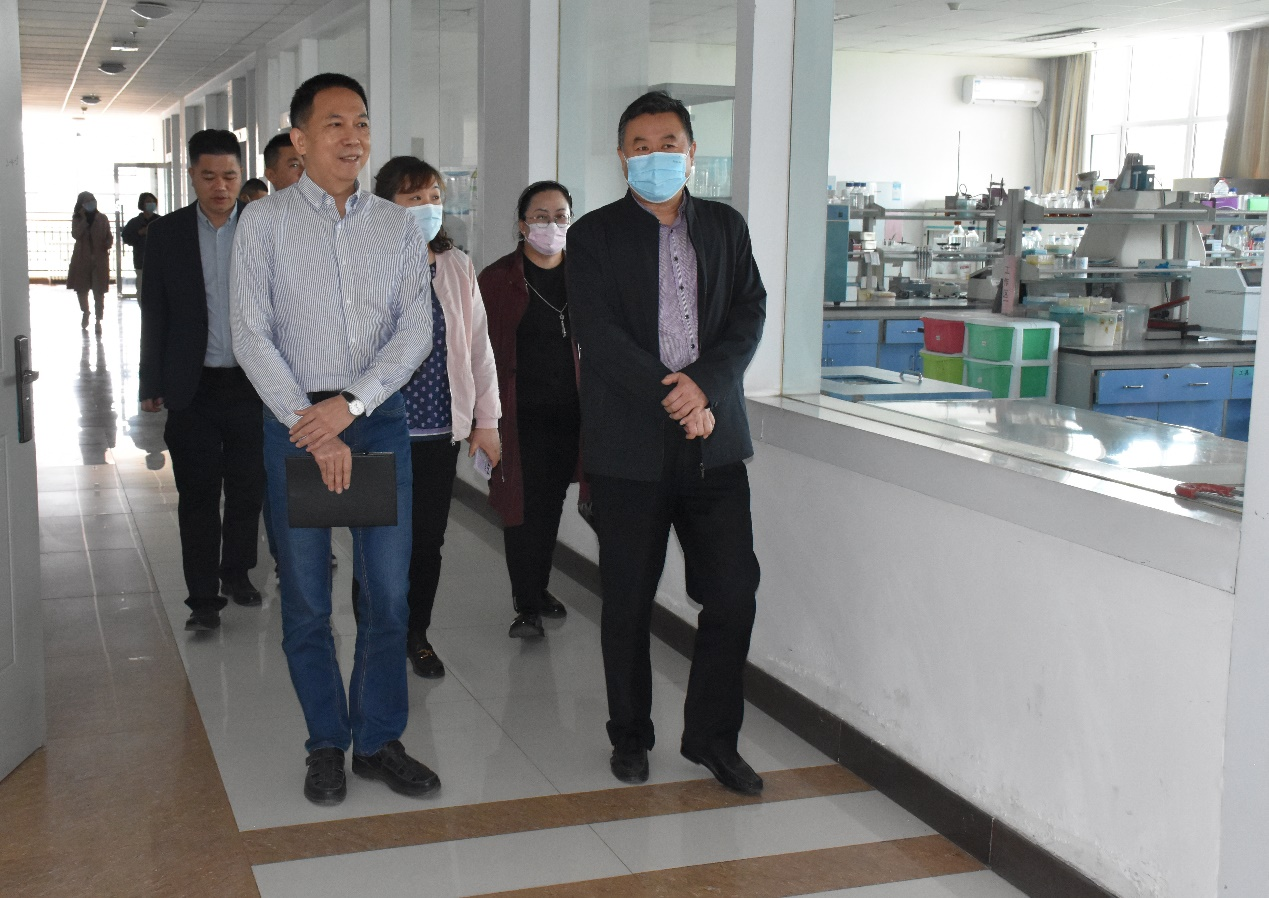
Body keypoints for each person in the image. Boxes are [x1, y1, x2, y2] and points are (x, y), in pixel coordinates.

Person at [231, 73, 438, 807]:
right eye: (334, 124)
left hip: (374, 418)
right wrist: (310, 422)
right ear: (299, 138)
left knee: (388, 595)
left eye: (362, 123)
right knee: (307, 600)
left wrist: (349, 407)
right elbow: (250, 334)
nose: (353, 138)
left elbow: (416, 330)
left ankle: (377, 740)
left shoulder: (396, 227)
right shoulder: (264, 222)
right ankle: (326, 741)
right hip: (293, 423)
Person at [567, 91, 767, 795]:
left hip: (715, 444)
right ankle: (630, 735)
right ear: (622, 156)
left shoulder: (725, 227)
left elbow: (748, 314)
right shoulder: (593, 236)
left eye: (669, 143)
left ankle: (711, 738)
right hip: (629, 448)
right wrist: (675, 396)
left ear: (692, 151)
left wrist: (704, 388)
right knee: (626, 600)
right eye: (641, 145)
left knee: (733, 593)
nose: (656, 155)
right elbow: (597, 335)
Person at [352, 155, 501, 679]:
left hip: (438, 429)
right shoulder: (362, 263)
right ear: (384, 205)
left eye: (433, 197)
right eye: (412, 198)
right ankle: (377, 637)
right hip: (378, 426)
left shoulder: (456, 265)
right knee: (375, 540)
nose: (426, 207)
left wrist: (487, 422)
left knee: (427, 541)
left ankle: (416, 634)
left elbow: (478, 347)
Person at [139, 129, 265, 632]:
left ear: (241, 175)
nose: (221, 186)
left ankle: (236, 572)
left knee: (247, 487)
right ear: (191, 175)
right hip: (192, 386)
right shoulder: (167, 234)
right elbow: (155, 312)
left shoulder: (261, 227)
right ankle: (202, 598)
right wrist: (150, 382)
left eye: (230, 175)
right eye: (209, 176)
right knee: (197, 493)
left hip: (252, 384)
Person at [478, 181, 579, 640]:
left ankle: (537, 587)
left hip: (571, 415)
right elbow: (477, 353)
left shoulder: (584, 276)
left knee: (551, 505)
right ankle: (527, 606)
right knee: (520, 507)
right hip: (517, 417)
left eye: (560, 216)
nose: (551, 225)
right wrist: (481, 419)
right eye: (540, 217)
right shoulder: (497, 279)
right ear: (522, 225)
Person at [67, 190, 111, 331]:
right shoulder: (77, 219)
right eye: (87, 201)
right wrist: (84, 219)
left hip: (99, 259)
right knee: (82, 289)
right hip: (82, 258)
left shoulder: (102, 218)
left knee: (99, 291)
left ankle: (98, 319)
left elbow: (109, 236)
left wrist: (107, 244)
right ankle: (85, 312)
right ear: (81, 204)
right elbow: (76, 234)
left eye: (92, 200)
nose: (91, 203)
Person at [121, 192, 159, 299]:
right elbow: (126, 238)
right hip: (141, 261)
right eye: (148, 201)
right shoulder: (135, 222)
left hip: (158, 262)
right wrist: (139, 233)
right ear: (142, 204)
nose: (151, 204)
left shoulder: (160, 221)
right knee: (142, 290)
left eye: (153, 201)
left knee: (157, 291)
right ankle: (143, 309)